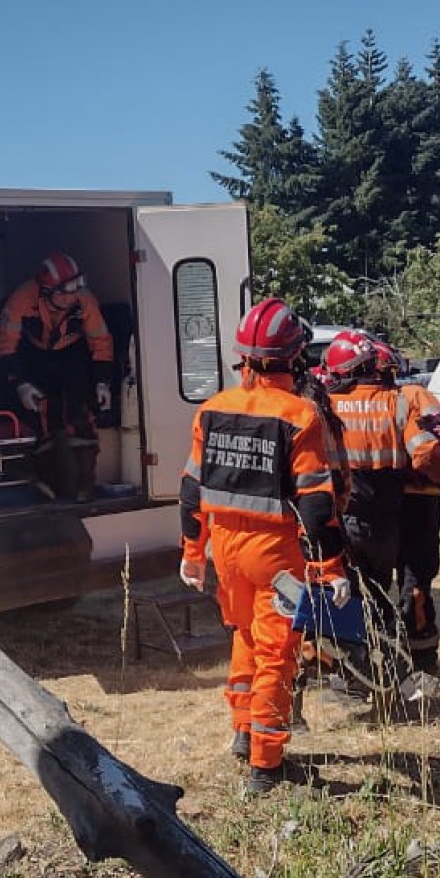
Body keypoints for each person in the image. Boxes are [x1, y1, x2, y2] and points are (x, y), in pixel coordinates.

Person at [178, 298, 351, 796]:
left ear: (245, 359)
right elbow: (316, 504)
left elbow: (191, 490)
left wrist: (193, 553)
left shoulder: (212, 410)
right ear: (294, 358)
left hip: (226, 551)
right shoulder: (300, 415)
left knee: (244, 638)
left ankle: (242, 730)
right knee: (277, 654)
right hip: (277, 555)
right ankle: (266, 767)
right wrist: (331, 567)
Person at [317, 330, 440, 690]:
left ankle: (361, 678)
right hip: (392, 515)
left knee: (356, 598)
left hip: (345, 516)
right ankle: (411, 667)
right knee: (401, 589)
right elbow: (427, 451)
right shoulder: (400, 401)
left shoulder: (326, 407)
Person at [0, 251, 115, 502]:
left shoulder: (84, 300)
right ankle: (47, 484)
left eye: (76, 289)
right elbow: (6, 347)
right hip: (32, 355)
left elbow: (101, 342)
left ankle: (84, 487)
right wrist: (21, 384)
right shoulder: (20, 301)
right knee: (40, 417)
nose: (73, 297)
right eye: (66, 291)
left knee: (81, 414)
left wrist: (103, 382)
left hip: (72, 353)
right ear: (48, 292)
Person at [376, 342, 440, 676]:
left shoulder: (406, 396)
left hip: (393, 506)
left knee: (407, 587)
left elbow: (435, 443)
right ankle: (416, 663)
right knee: (411, 586)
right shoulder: (408, 396)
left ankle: (417, 662)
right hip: (404, 503)